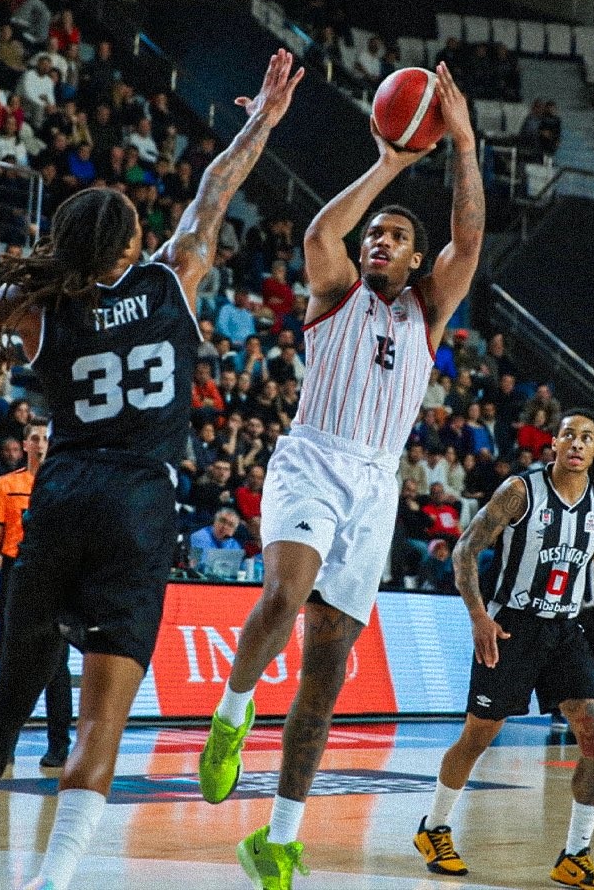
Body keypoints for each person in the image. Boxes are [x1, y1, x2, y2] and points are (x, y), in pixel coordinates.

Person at [0, 49, 303, 890]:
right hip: (138, 504)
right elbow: (214, 193)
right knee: (100, 725)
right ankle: (51, 880)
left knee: (9, 701)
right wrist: (261, 119)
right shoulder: (172, 276)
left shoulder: (36, 306)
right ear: (130, 242)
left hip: (63, 495)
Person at [197, 62, 484, 888]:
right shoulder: (336, 291)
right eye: (374, 236)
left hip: (377, 485)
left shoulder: (427, 311)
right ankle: (231, 715)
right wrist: (391, 163)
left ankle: (279, 838)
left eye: (392, 236)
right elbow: (321, 236)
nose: (375, 243)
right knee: (284, 596)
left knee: (326, 675)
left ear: (415, 255)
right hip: (313, 458)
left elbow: (469, 240)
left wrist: (461, 141)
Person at [413, 410, 594, 890]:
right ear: (553, 443)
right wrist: (478, 617)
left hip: (566, 629)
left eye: (587, 438)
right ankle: (433, 828)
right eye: (569, 435)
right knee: (478, 736)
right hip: (511, 627)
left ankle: (575, 854)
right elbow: (465, 551)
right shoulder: (520, 491)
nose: (577, 444)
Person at [0, 419, 71, 768]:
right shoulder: (7, 484)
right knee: (7, 657)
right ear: (26, 444)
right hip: (15, 574)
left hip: (55, 576)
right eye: (35, 438)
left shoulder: (65, 485)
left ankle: (59, 744)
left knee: (57, 663)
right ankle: (4, 741)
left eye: (47, 438)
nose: (42, 443)